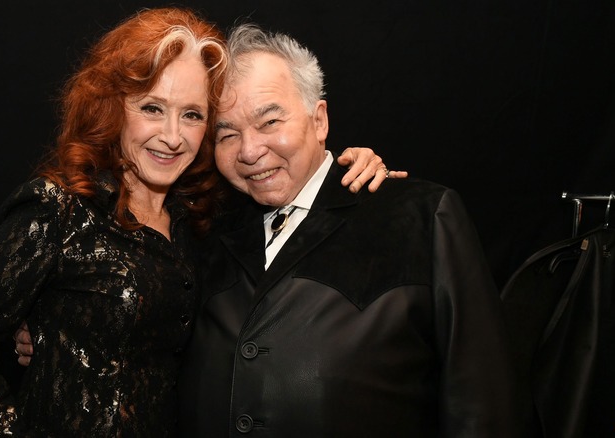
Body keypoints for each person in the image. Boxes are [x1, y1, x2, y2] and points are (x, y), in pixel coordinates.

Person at [0, 7, 396, 437]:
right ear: (114, 106)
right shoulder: (61, 209)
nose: (173, 137)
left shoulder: (205, 221)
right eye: (153, 108)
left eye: (192, 115)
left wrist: (343, 168)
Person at [173, 24, 520, 437]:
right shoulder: (204, 230)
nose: (249, 151)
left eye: (269, 122)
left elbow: (485, 398)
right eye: (227, 133)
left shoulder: (419, 216)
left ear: (318, 120)